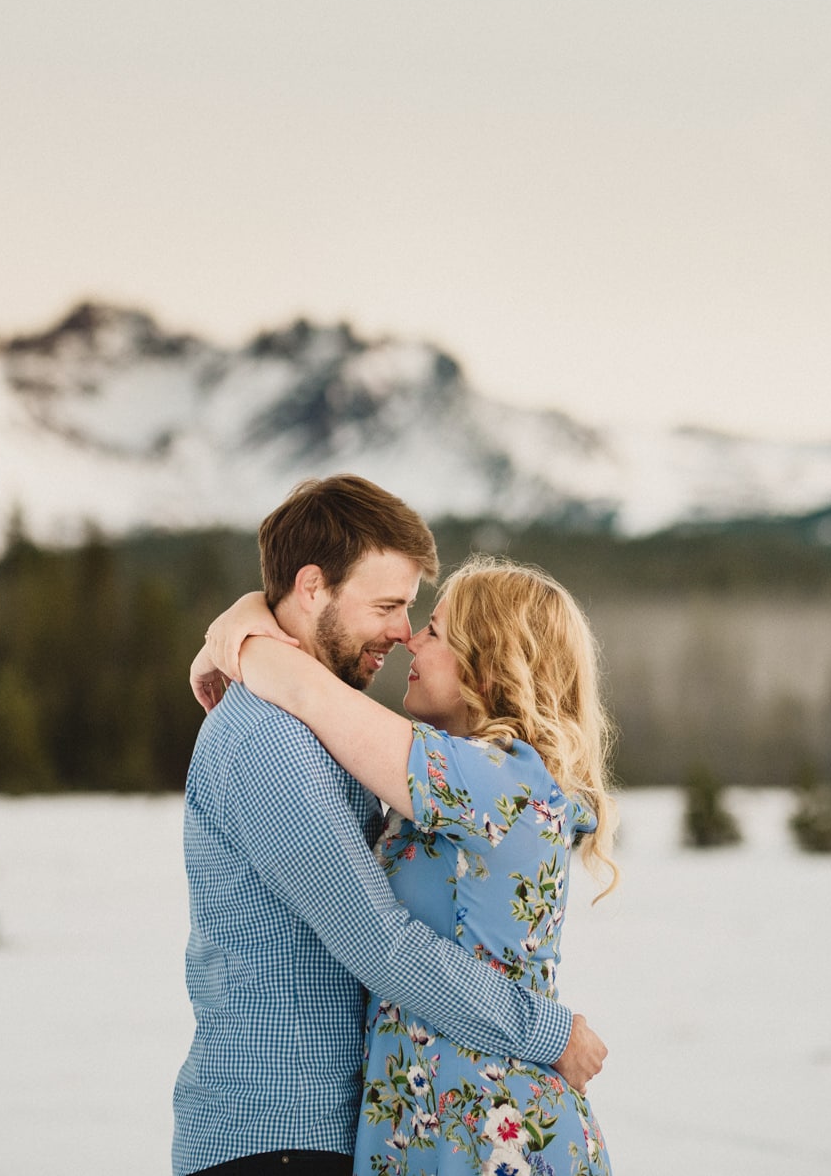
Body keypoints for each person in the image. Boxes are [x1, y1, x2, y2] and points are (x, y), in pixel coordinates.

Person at [172, 476, 607, 1176]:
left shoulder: (471, 771)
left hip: (456, 1129)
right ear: (312, 587)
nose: (405, 634)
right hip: (279, 1132)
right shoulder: (272, 736)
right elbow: (380, 941)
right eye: (391, 607)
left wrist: (245, 638)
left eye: (421, 618)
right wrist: (243, 638)